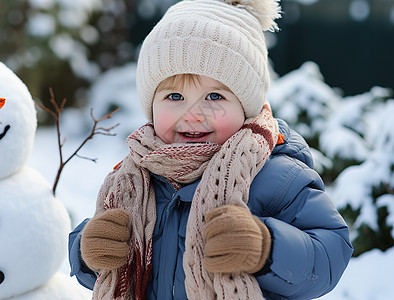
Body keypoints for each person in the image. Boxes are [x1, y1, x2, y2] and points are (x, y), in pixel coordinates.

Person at [68, 0, 353, 299]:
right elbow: (104, 260)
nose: (192, 114)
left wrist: (266, 249)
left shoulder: (277, 176)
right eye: (175, 95)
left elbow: (330, 252)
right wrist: (87, 252)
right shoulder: (137, 177)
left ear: (246, 106)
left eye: (214, 95)